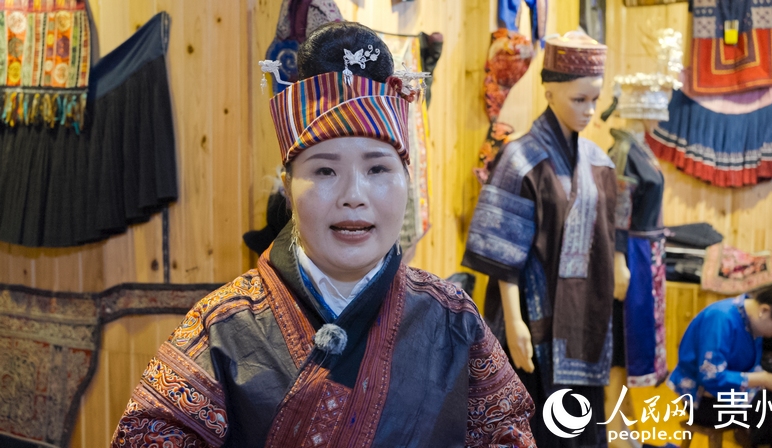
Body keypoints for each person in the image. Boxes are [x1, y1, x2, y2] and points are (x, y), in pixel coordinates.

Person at [110, 22, 536, 448]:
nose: (354, 196)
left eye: (377, 169)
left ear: (407, 180)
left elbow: (508, 434)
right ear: (287, 186)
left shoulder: (453, 320)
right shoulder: (221, 326)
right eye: (325, 170)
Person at [463, 31, 616, 447]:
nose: (589, 111)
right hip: (534, 316)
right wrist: (513, 322)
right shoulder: (521, 159)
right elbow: (500, 247)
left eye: (594, 100)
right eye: (578, 99)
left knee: (583, 426)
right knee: (536, 426)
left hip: (583, 318)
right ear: (550, 92)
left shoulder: (598, 161)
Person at [668, 284, 772, 430]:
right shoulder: (720, 317)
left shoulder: (750, 321)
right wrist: (764, 379)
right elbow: (711, 377)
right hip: (704, 400)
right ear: (764, 310)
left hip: (730, 392)